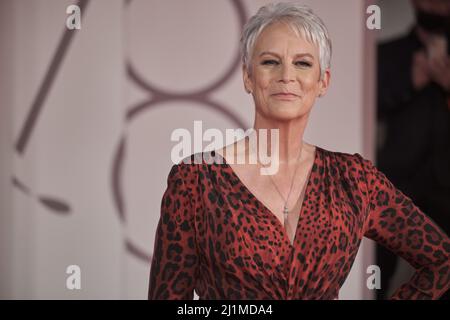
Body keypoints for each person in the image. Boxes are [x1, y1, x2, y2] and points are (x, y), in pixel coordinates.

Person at [148, 2, 450, 300]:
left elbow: (442, 260)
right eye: (270, 62)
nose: (286, 76)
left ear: (323, 82)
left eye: (303, 63)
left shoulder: (355, 179)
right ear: (248, 77)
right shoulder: (194, 180)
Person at [376, 0, 450, 299]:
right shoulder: (388, 53)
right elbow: (365, 105)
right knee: (377, 270)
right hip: (395, 181)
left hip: (447, 186)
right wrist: (411, 81)